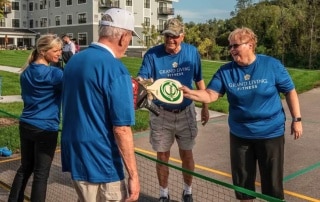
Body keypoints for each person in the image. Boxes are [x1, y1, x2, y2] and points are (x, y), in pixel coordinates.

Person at [180, 27, 303, 201]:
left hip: (270, 133)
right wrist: (189, 93)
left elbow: (290, 91)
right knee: (243, 185)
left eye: (235, 46)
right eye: (230, 46)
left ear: (250, 45)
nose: (231, 50)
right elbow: (210, 94)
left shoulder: (271, 65)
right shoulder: (226, 71)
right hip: (240, 135)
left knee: (272, 185)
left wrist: (296, 119)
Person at [61, 8, 140, 202]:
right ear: (122, 37)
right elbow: (121, 128)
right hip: (102, 161)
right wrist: (134, 176)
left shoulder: (74, 60)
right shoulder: (115, 69)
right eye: (130, 37)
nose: (128, 43)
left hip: (76, 154)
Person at [137, 18, 209, 202]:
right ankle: (163, 194)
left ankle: (188, 191)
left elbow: (199, 80)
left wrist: (205, 107)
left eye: (174, 36)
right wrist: (143, 83)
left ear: (182, 36)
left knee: (187, 153)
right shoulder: (152, 55)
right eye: (167, 35)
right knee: (162, 155)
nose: (170, 39)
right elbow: (143, 78)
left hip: (186, 111)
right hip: (161, 113)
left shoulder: (192, 53)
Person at [8, 34, 63, 202]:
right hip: (45, 128)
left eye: (60, 49)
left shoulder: (26, 72)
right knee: (41, 174)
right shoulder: (55, 74)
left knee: (25, 168)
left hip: (26, 125)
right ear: (42, 51)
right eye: (56, 50)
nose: (60, 53)